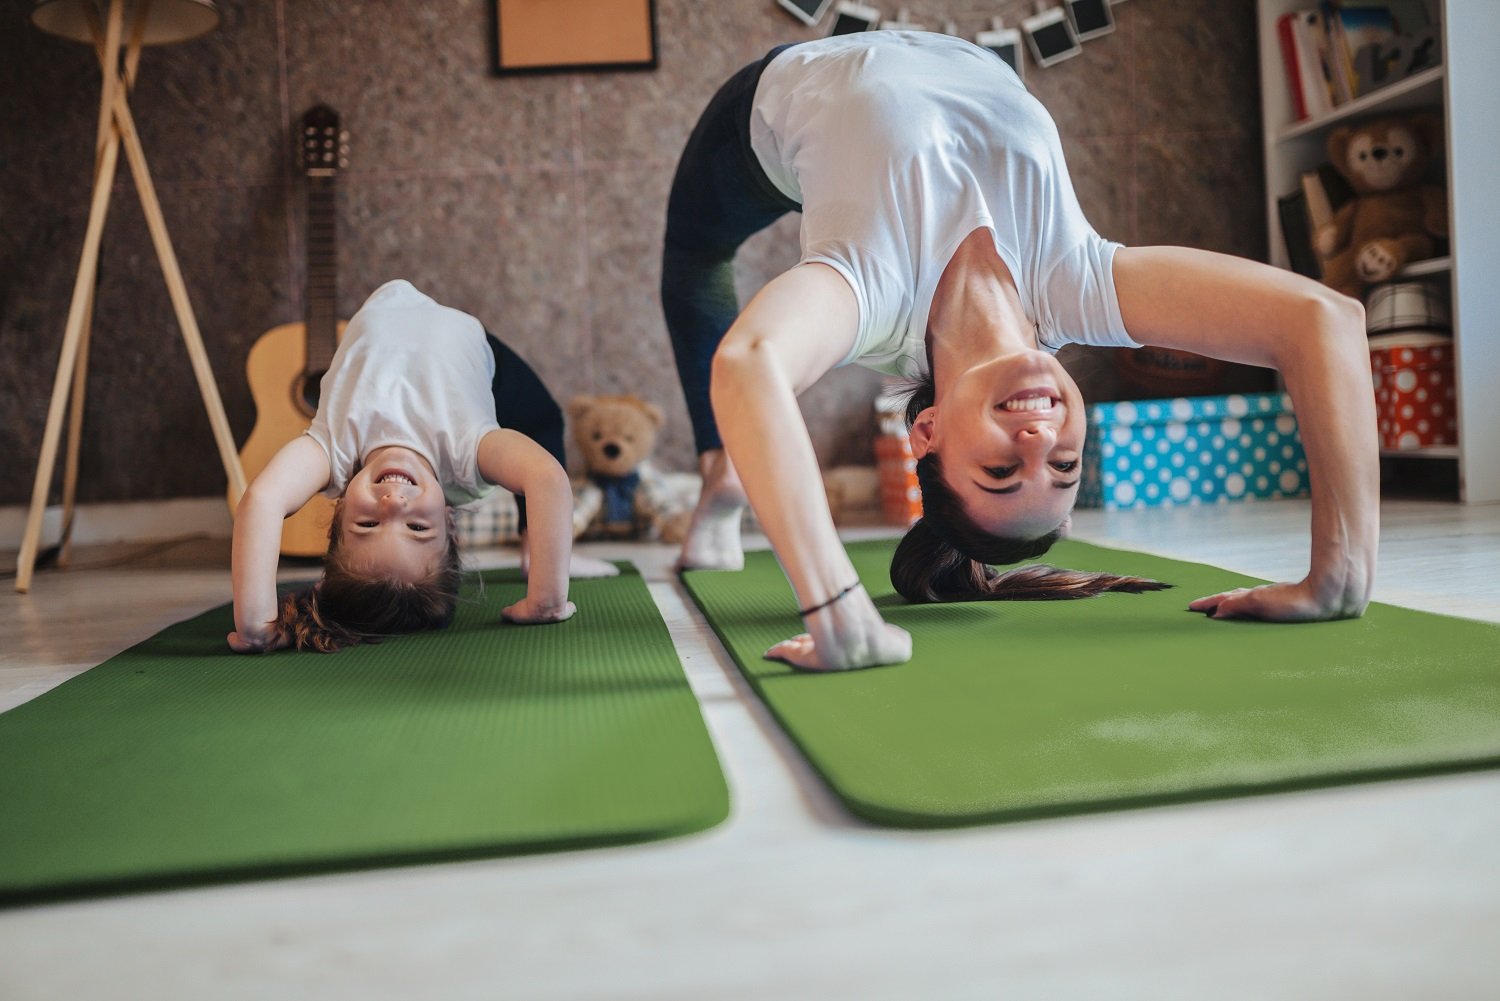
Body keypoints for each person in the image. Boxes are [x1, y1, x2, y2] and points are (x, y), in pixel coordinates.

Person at [660, 32, 1378, 672]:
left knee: (695, 261)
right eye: (1064, 464)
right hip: (946, 52)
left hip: (779, 98)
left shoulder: (873, 297)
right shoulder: (1079, 285)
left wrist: (838, 609)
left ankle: (725, 470)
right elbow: (1326, 320)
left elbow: (748, 360)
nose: (1039, 440)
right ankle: (735, 470)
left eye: (1002, 469)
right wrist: (1339, 575)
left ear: (928, 430)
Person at [229, 279, 612, 654]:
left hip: (380, 315)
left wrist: (255, 622)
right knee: (542, 422)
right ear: (449, 520)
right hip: (464, 341)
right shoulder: (467, 453)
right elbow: (546, 478)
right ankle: (537, 545)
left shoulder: (333, 452)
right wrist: (547, 597)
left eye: (367, 524)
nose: (393, 503)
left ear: (339, 508)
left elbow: (262, 500)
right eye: (417, 527)